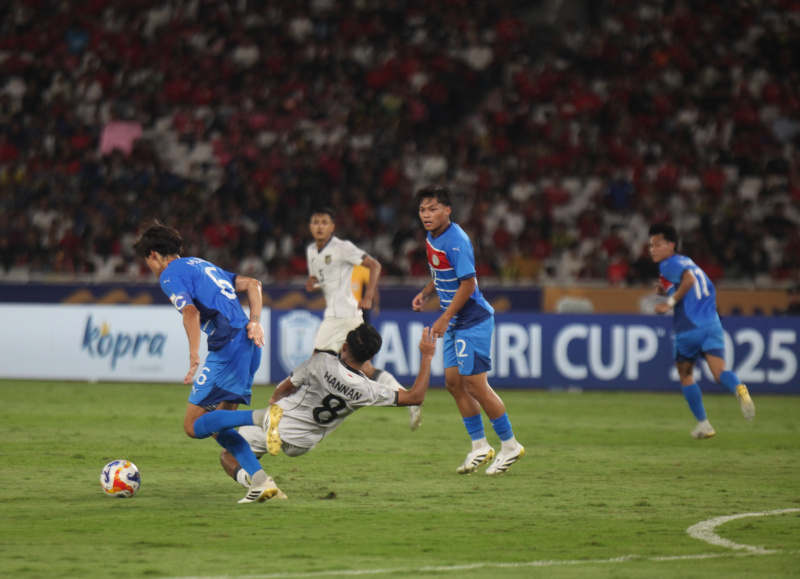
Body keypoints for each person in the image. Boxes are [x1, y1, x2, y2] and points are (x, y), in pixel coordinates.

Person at [132, 220, 281, 504]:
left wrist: (193, 355)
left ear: (153, 254)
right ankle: (263, 483)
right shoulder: (203, 265)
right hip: (249, 346)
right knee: (219, 427)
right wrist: (256, 322)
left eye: (147, 261)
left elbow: (191, 313)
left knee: (193, 425)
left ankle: (261, 417)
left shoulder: (169, 275)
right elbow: (253, 284)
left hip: (227, 348)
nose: (150, 268)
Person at [220, 324, 437, 493]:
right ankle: (261, 455)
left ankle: (257, 482)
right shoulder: (368, 389)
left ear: (344, 346)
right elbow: (416, 397)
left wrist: (274, 399)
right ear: (370, 358)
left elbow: (286, 386)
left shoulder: (321, 362)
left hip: (281, 422)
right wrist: (427, 356)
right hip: (305, 443)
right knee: (256, 445)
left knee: (228, 454)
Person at [412, 185, 525, 475]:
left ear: (447, 210)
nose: (427, 214)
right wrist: (426, 293)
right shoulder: (432, 236)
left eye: (433, 208)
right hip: (455, 321)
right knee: (453, 383)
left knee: (476, 384)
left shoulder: (456, 240)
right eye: (423, 209)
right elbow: (440, 272)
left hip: (471, 319)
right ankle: (480, 447)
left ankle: (510, 445)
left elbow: (469, 284)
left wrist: (445, 318)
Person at [306, 207, 422, 431]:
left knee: (316, 363)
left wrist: (368, 297)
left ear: (332, 227)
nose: (319, 226)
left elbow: (375, 265)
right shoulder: (312, 251)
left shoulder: (343, 248)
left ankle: (305, 416)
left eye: (324, 222)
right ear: (311, 226)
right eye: (316, 222)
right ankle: (409, 400)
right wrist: (314, 286)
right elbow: (326, 280)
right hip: (335, 315)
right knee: (362, 368)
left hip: (346, 314)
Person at [649, 222, 755, 439]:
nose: (653, 249)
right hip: (712, 323)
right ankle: (739, 388)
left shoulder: (667, 265)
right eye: (651, 245)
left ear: (671, 245)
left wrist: (668, 303)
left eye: (658, 244)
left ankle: (704, 424)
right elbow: (694, 285)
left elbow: (688, 281)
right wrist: (667, 291)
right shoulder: (687, 261)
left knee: (685, 373)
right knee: (720, 372)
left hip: (689, 327)